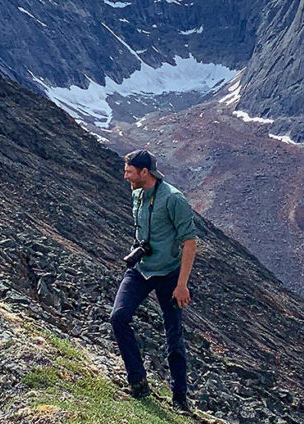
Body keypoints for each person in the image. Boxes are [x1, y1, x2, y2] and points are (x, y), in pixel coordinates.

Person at [110, 148, 197, 412]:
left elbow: (190, 243)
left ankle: (180, 397)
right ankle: (138, 382)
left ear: (145, 172)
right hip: (141, 269)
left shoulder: (174, 199)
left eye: (129, 172)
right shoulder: (137, 194)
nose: (125, 176)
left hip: (169, 274)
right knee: (118, 317)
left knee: (173, 334)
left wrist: (182, 285)